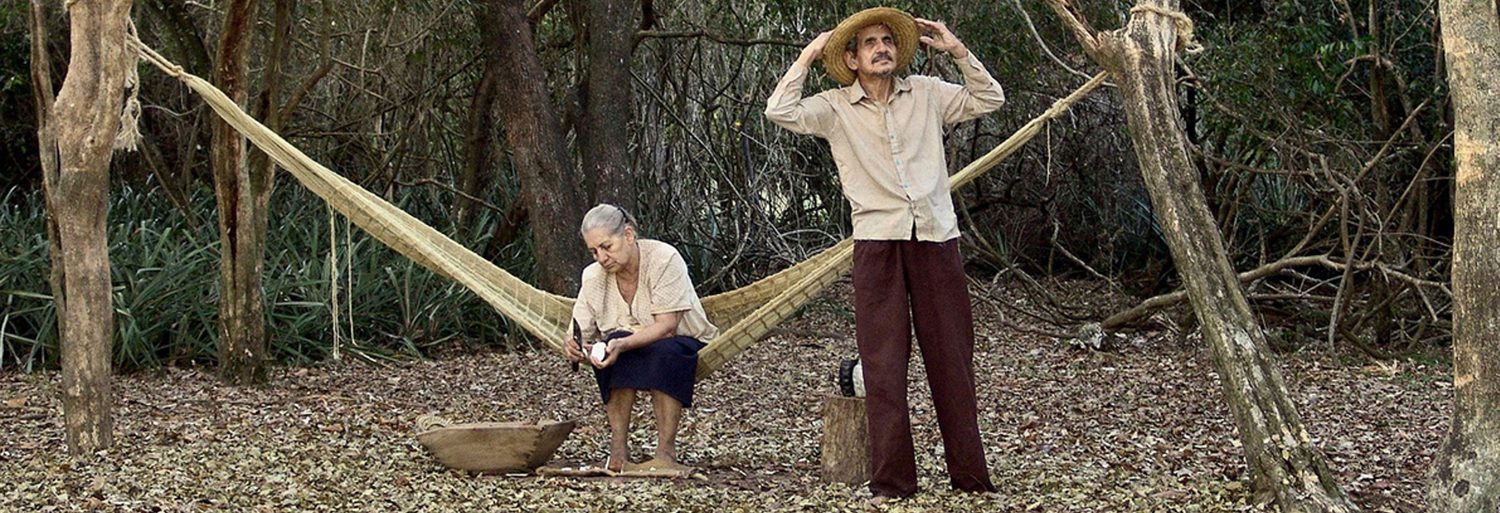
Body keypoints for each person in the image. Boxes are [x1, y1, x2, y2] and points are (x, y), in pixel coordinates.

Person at [763, 7, 1005, 500]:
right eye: (869, 43)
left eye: (887, 41)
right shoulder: (833, 107)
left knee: (952, 362)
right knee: (883, 365)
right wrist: (811, 53)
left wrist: (956, 50)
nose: (882, 48)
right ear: (851, 58)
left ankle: (971, 479)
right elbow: (780, 110)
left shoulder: (930, 95)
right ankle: (893, 483)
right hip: (877, 243)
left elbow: (990, 97)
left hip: (936, 238)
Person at [564, 204, 719, 473]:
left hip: (682, 339)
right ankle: (618, 451)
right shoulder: (593, 276)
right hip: (623, 343)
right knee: (613, 353)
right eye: (594, 251)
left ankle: (665, 453)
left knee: (664, 352)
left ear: (628, 234)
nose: (601, 257)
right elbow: (579, 330)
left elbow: (668, 326)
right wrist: (576, 347)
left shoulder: (663, 258)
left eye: (606, 246)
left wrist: (621, 344)